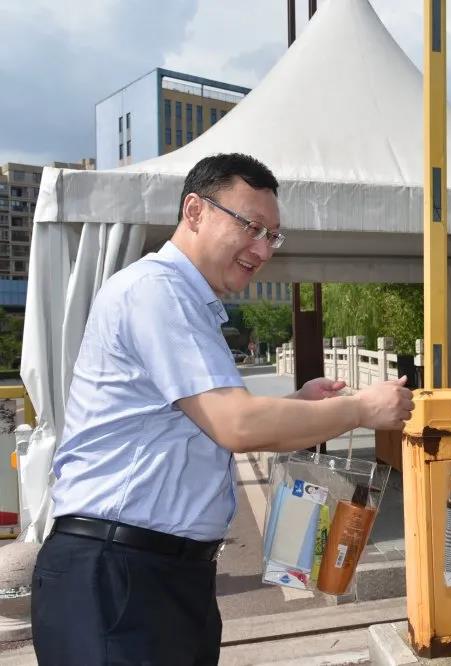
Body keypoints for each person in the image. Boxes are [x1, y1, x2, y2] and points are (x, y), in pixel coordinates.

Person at [31, 153, 414, 666]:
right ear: (195, 211)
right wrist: (362, 409)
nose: (263, 249)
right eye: (251, 227)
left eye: (272, 236)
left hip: (159, 572)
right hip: (118, 571)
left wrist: (296, 406)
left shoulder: (188, 301)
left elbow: (199, 422)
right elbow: (235, 424)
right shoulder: (158, 291)